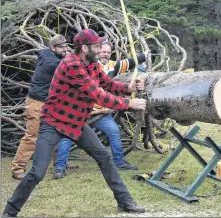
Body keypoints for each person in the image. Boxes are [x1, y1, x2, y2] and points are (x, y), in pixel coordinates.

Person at [2, 29, 147, 217]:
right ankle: (9, 212)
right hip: (53, 122)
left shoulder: (92, 64)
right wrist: (129, 103)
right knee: (37, 172)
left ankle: (125, 202)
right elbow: (96, 94)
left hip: (76, 123)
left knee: (104, 157)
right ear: (85, 48)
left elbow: (107, 84)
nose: (101, 48)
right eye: (97, 46)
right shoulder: (71, 64)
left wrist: (128, 87)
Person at [53, 41, 148, 179]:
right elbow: (96, 93)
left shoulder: (111, 66)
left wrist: (143, 56)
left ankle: (119, 162)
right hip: (81, 112)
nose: (105, 54)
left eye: (108, 52)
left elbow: (126, 64)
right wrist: (129, 103)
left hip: (101, 113)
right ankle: (60, 167)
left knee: (114, 131)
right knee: (68, 136)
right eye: (103, 51)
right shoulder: (84, 66)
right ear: (96, 51)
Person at [10, 35, 70, 180]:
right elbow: (67, 66)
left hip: (49, 103)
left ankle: (59, 163)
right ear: (53, 48)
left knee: (56, 132)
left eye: (66, 46)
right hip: (37, 103)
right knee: (32, 136)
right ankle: (17, 169)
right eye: (61, 47)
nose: (65, 49)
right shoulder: (51, 62)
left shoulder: (50, 55)